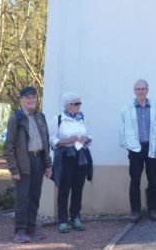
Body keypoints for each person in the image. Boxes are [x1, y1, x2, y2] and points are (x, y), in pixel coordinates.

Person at [3, 86, 53, 244]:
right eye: (27, 97)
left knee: (35, 196)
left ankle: (32, 226)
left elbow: (46, 142)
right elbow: (8, 146)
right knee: (22, 198)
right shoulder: (16, 118)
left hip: (39, 159)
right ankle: (20, 230)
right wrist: (14, 169)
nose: (31, 100)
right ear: (21, 100)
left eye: (34, 97)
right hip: (24, 162)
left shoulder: (40, 117)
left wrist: (48, 164)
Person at [120, 79, 156, 223]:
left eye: (143, 88)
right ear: (134, 91)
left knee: (153, 180)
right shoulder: (126, 109)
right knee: (135, 180)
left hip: (151, 147)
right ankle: (135, 211)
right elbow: (122, 129)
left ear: (147, 90)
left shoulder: (155, 108)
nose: (140, 91)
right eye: (138, 89)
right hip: (135, 149)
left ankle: (153, 210)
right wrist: (128, 145)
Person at [50, 92, 93, 233]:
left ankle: (75, 217)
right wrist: (67, 141)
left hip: (80, 157)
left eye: (79, 103)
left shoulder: (82, 118)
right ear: (68, 105)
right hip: (65, 158)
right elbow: (52, 140)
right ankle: (62, 220)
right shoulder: (58, 119)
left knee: (78, 188)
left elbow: (89, 135)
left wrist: (85, 139)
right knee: (64, 188)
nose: (79, 106)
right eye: (76, 103)